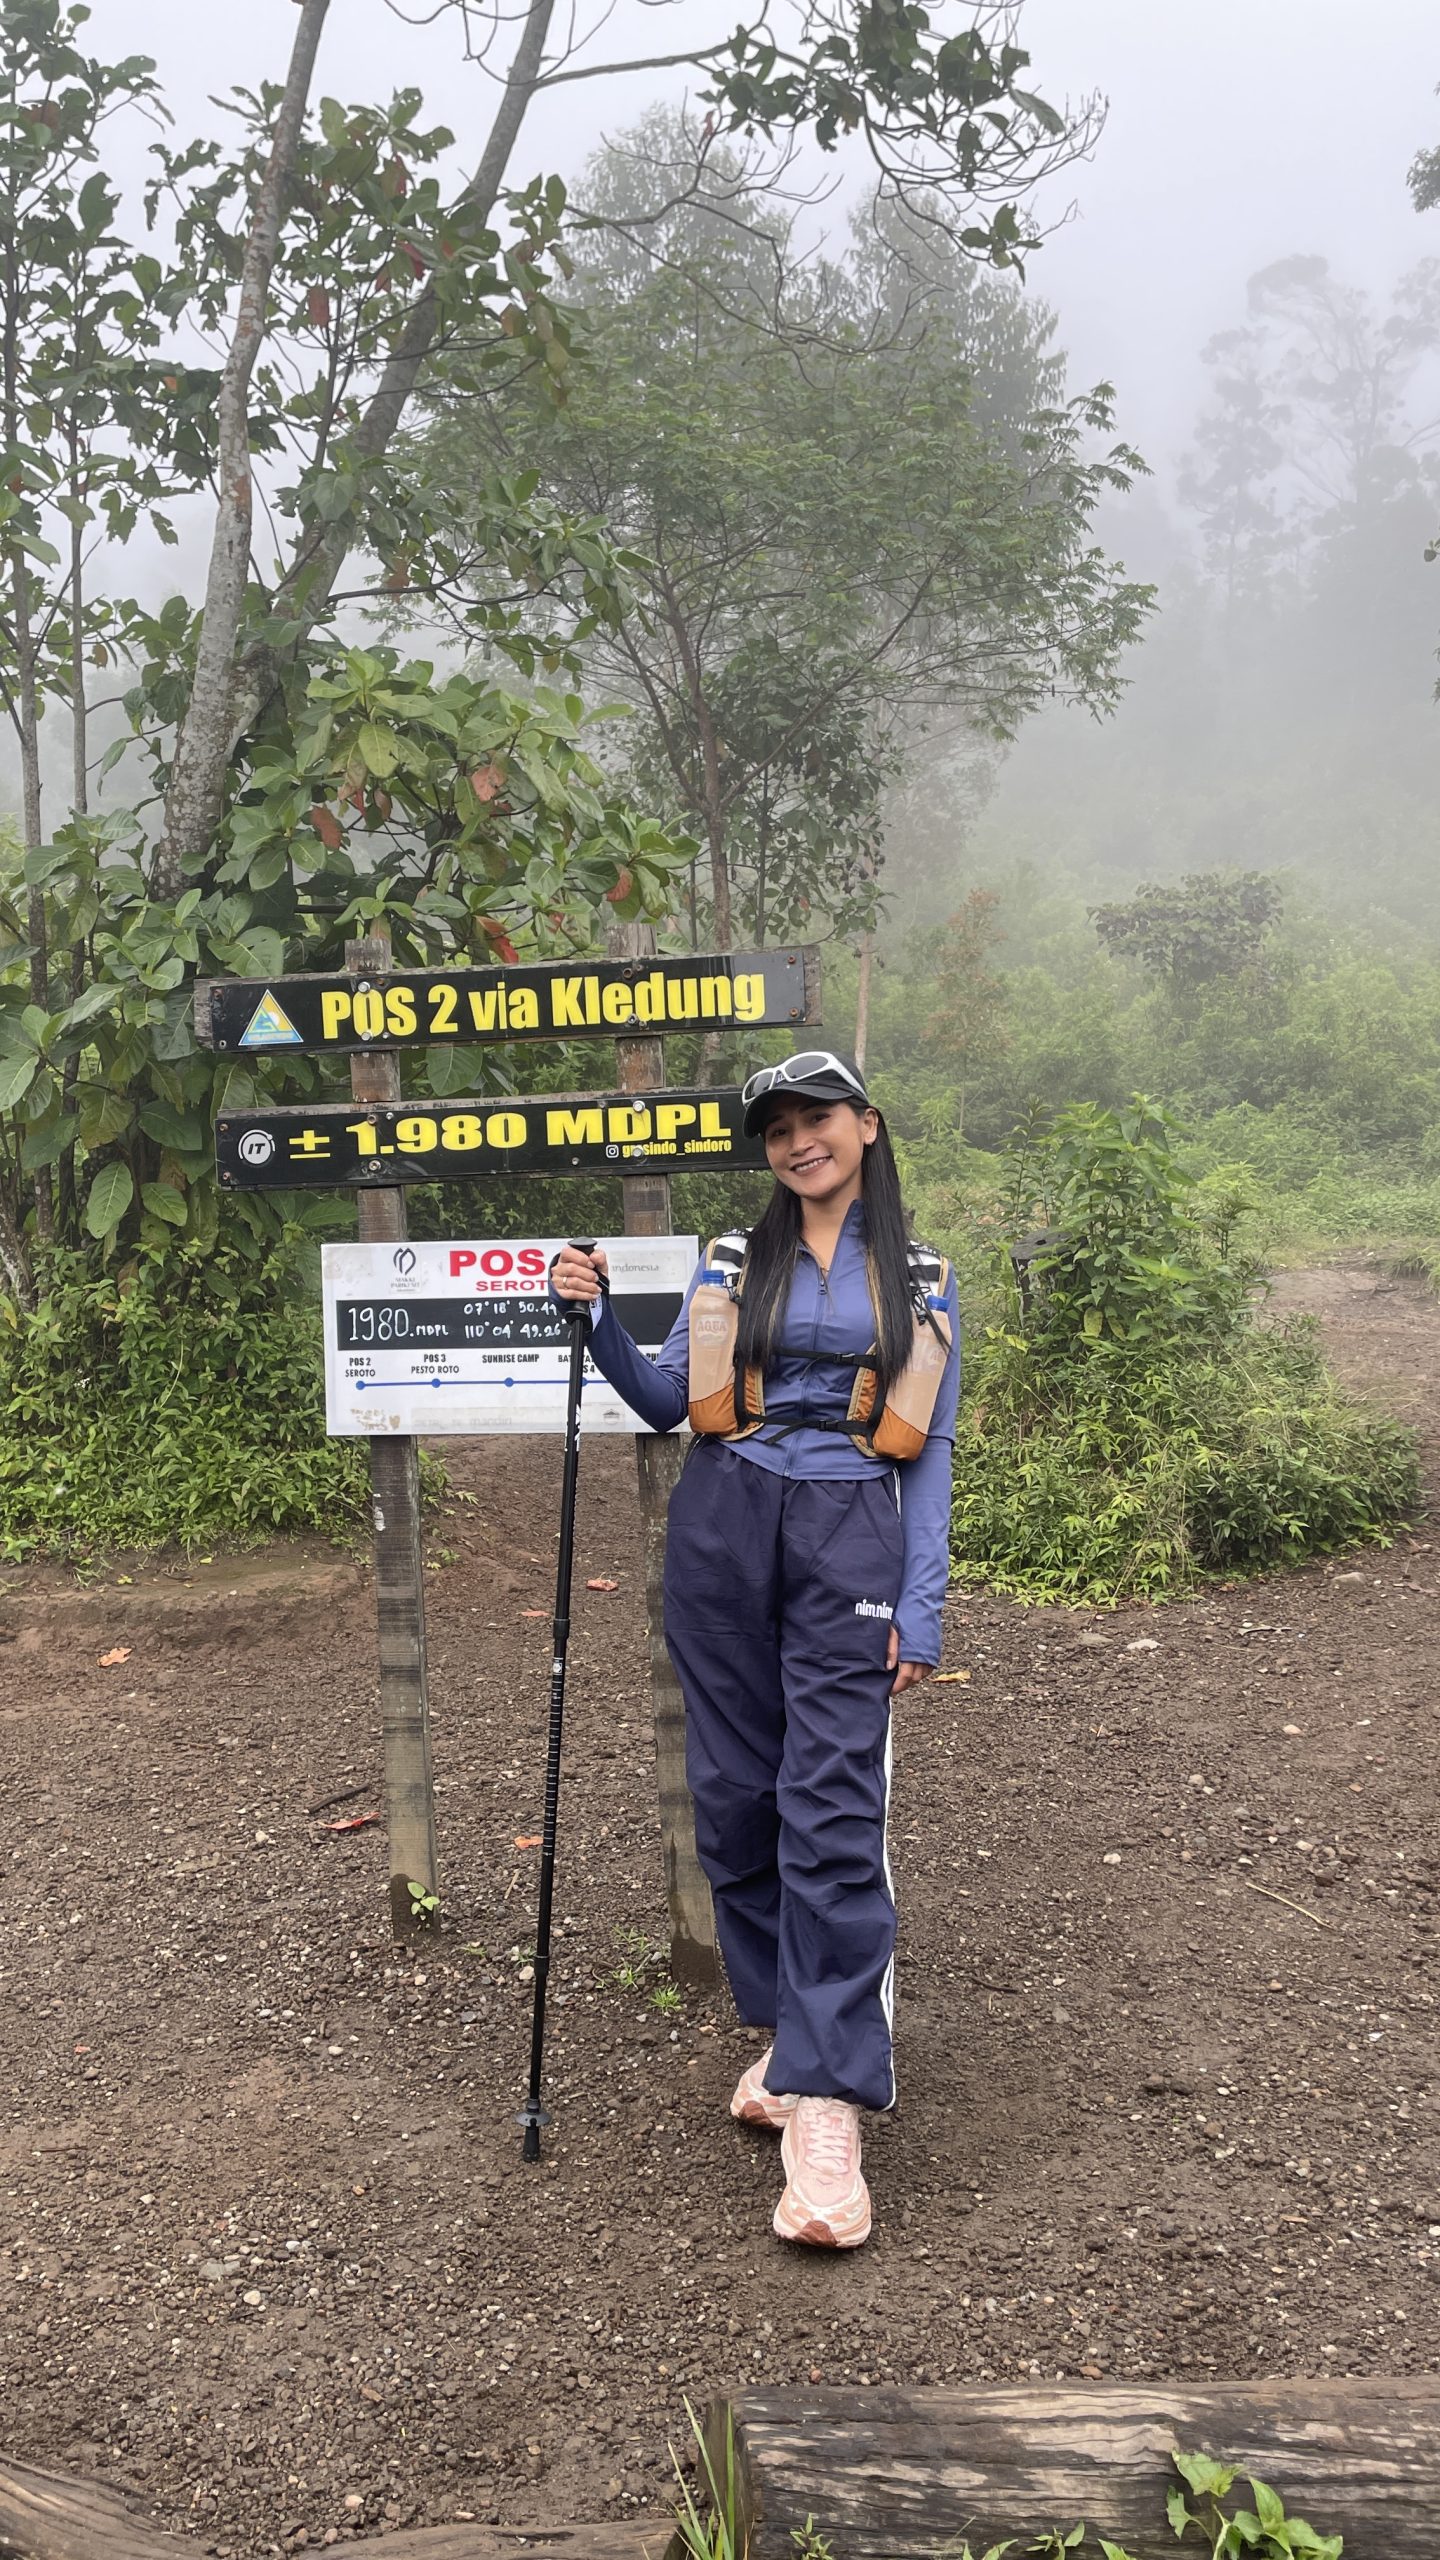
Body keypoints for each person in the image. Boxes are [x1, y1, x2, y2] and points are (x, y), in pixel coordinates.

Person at [551, 1051, 961, 2249]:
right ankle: (791, 2039)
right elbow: (668, 1398)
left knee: (829, 1808)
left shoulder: (924, 1275)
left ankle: (829, 2104)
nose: (797, 1141)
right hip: (724, 1523)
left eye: (816, 1118)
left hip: (851, 1538)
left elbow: (928, 1452)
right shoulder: (730, 1261)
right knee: (732, 1802)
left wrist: (922, 1607)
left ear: (867, 1127)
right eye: (777, 1128)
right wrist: (592, 1321)